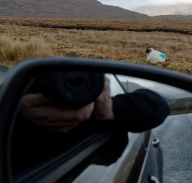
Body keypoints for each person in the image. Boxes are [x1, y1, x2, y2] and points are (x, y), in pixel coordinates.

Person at [11, 74, 170, 174]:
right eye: (62, 84)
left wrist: (111, 109)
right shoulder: (24, 111)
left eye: (83, 85)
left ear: (99, 89)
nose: (71, 93)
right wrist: (21, 114)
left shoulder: (102, 116)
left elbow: (160, 107)